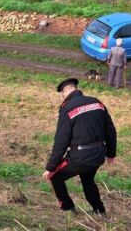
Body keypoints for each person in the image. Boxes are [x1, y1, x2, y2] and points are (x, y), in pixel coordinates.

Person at [43, 78, 117, 215]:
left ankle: (67, 208)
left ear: (64, 94)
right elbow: (110, 130)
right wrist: (111, 153)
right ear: (76, 89)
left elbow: (61, 140)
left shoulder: (67, 108)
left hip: (80, 157)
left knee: (55, 177)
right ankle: (99, 211)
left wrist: (50, 167)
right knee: (88, 180)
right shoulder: (97, 102)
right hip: (98, 154)